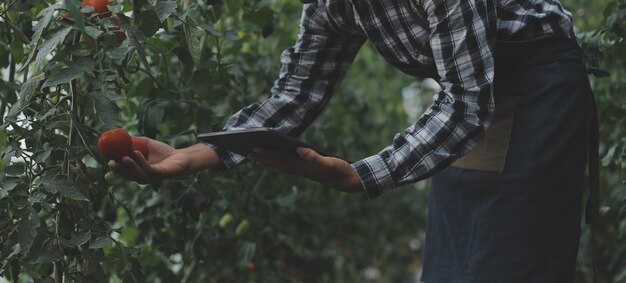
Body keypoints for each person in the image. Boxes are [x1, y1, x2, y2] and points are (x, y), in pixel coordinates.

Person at [113, 0, 595, 282]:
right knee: (454, 267)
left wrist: (362, 174)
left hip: (537, 84)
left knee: (509, 264)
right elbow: (298, 90)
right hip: (468, 98)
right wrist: (193, 155)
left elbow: (467, 103)